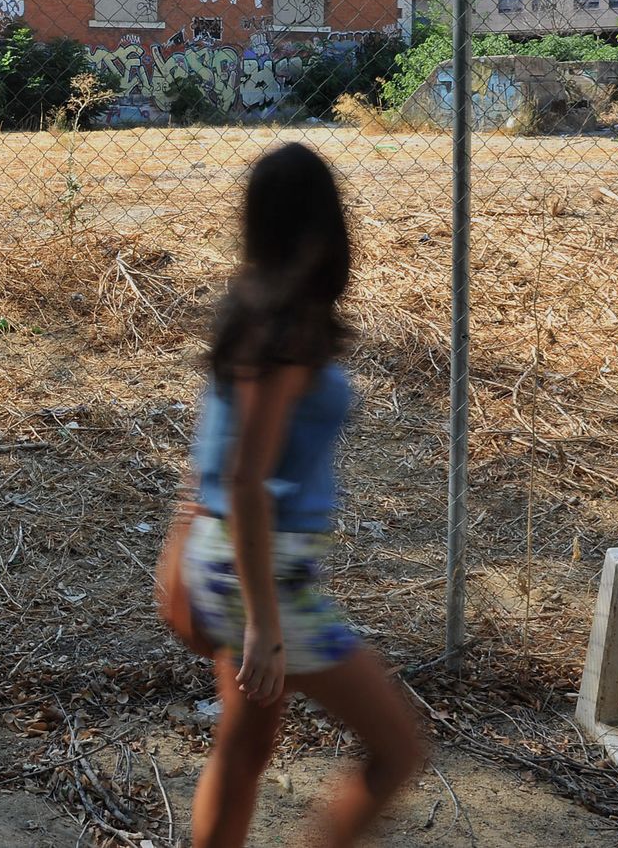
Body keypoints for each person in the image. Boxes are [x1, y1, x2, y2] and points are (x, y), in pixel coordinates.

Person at [184, 142, 423, 848]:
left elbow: (215, 456)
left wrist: (186, 553)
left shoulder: (254, 309)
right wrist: (264, 624)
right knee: (398, 750)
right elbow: (244, 478)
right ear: (324, 226)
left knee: (247, 742)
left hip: (234, 561)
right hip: (264, 577)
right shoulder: (285, 332)